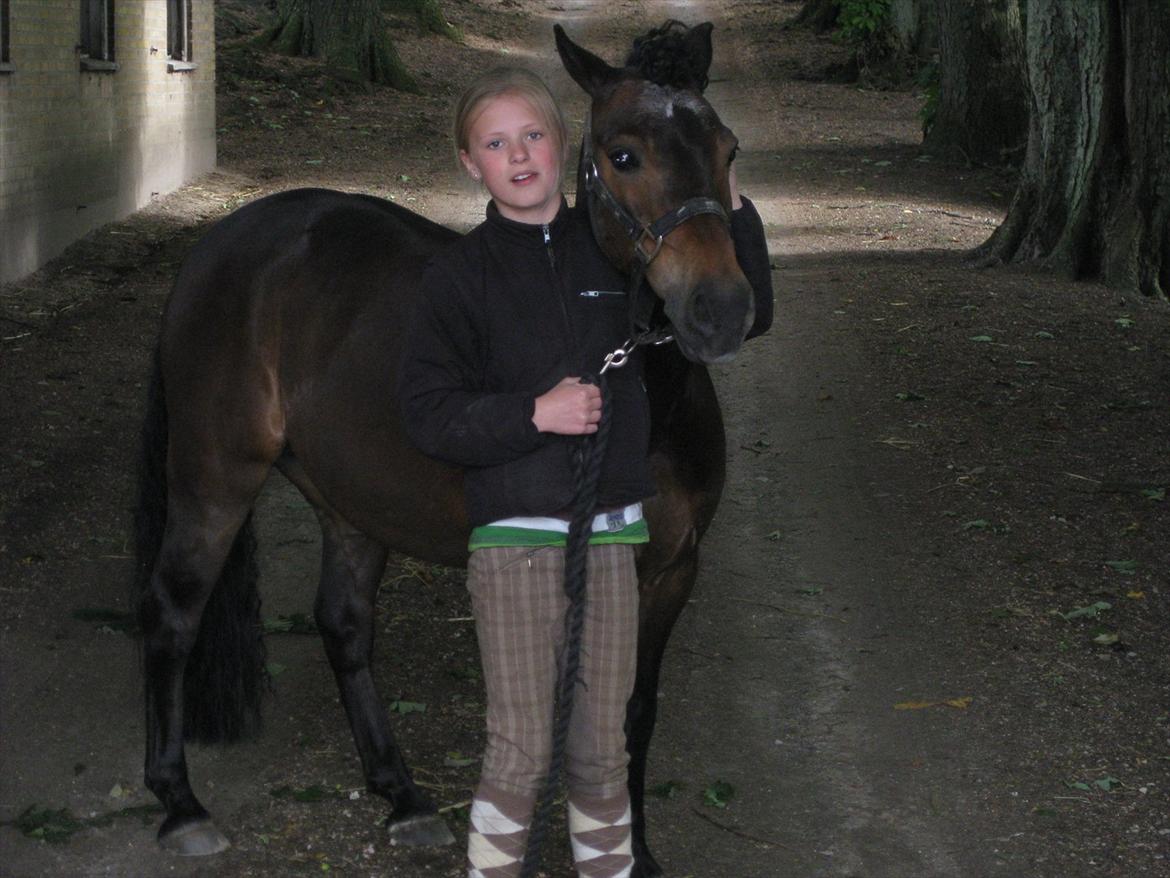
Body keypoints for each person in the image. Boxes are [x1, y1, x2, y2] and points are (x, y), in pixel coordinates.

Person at [398, 55, 771, 878]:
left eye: (533, 135)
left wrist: (725, 192)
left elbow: (751, 311)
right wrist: (532, 414)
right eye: (497, 144)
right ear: (470, 163)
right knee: (522, 752)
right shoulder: (459, 278)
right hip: (518, 545)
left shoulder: (617, 259)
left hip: (609, 540)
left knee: (602, 753)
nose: (519, 156)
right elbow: (426, 412)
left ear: (568, 148)